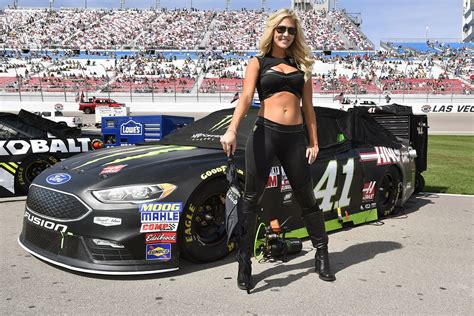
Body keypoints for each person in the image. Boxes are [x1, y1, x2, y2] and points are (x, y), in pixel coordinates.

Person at [220, 8, 336, 293]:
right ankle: (244, 263)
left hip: (295, 138)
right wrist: (233, 129)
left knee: (307, 199)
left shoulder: (302, 66)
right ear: (272, 31)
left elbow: (308, 108)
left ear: (296, 35)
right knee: (250, 201)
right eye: (281, 29)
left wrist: (314, 141)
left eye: (291, 31)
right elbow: (246, 98)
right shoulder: (257, 62)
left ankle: (322, 255)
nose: (286, 34)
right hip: (265, 134)